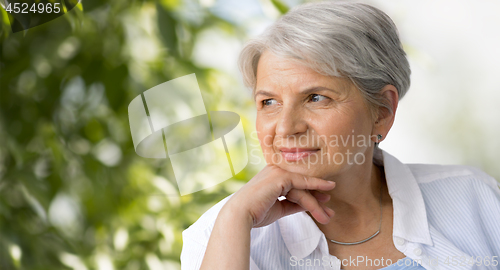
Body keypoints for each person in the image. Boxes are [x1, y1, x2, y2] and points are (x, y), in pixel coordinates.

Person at [180, 1, 500, 269]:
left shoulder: (476, 197)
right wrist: (236, 214)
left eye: (316, 97)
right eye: (269, 102)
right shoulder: (220, 235)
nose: (286, 127)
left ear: (382, 111)